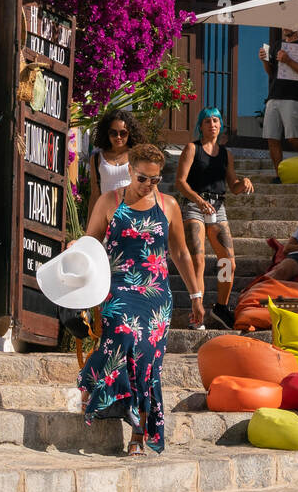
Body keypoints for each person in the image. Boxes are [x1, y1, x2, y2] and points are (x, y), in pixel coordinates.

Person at [77, 143, 204, 456]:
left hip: (157, 295)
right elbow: (90, 243)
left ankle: (138, 432)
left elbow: (180, 252)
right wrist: (74, 254)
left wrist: (196, 294)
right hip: (119, 288)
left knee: (147, 361)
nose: (149, 185)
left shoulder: (169, 205)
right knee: (121, 334)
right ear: (129, 171)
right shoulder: (110, 201)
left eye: (155, 179)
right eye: (143, 178)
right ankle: (95, 382)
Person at [175, 108, 254, 331]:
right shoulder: (192, 148)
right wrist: (198, 200)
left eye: (216, 120)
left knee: (228, 261)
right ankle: (196, 310)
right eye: (208, 121)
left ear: (221, 125)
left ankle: (221, 306)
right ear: (200, 126)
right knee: (198, 260)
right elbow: (180, 182)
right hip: (194, 205)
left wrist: (244, 182)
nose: (212, 124)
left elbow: (233, 186)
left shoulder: (226, 154)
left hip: (218, 206)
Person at [260, 27, 298, 171]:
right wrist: (264, 60)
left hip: (292, 97)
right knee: (272, 138)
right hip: (273, 95)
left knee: (292, 138)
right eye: (283, 25)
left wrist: (288, 60)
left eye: (288, 25)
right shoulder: (277, 44)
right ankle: (279, 175)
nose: (285, 28)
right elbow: (271, 72)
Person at [87, 110, 141, 199]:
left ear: (130, 133)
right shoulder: (97, 158)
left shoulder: (137, 156)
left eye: (123, 133)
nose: (118, 137)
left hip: (132, 211)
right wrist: (91, 213)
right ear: (107, 134)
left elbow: (150, 188)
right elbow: (94, 193)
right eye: (113, 133)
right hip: (107, 211)